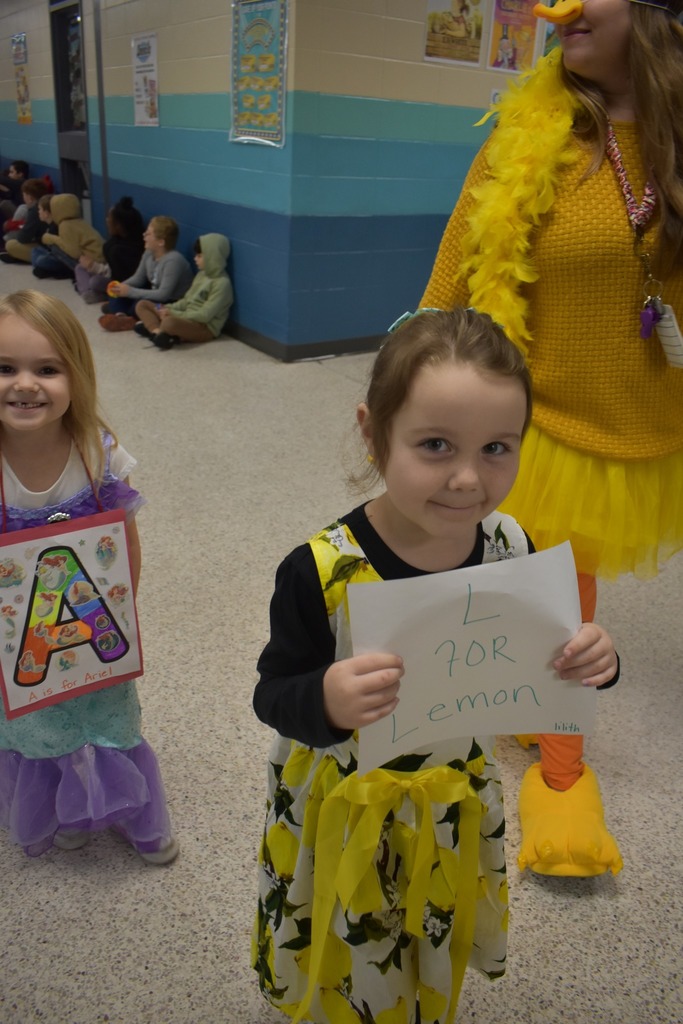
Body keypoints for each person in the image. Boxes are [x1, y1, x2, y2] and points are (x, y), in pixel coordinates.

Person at [252, 308, 619, 1024]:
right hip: (341, 804)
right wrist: (322, 698)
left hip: (453, 799)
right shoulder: (319, 571)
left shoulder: (512, 545)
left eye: (495, 448)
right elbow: (273, 691)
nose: (465, 479)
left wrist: (596, 660)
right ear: (372, 432)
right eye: (434, 445)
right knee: (340, 937)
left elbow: (554, 658)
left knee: (423, 929)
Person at [419, 0, 683, 878]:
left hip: (644, 424)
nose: (555, 7)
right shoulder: (530, 133)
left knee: (547, 593)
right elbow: (457, 267)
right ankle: (563, 778)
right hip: (533, 424)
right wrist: (411, 395)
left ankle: (531, 713)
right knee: (556, 597)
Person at [0, 289, 178, 865]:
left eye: (46, 369)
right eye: (5, 368)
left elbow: (127, 539)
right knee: (40, 728)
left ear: (75, 376)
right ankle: (61, 807)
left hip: (92, 630)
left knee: (109, 719)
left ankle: (125, 810)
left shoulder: (97, 454)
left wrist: (123, 611)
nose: (25, 384)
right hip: (21, 640)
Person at [133, 233, 233, 350]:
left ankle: (157, 329)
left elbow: (205, 315)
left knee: (169, 323)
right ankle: (157, 332)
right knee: (142, 304)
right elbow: (186, 300)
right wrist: (168, 308)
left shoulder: (222, 283)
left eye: (199, 256)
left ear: (213, 257)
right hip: (185, 317)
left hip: (203, 327)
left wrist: (173, 314)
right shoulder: (201, 274)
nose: (195, 259)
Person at [98, 216, 193, 333]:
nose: (144, 236)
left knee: (139, 304)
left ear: (160, 242)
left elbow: (163, 295)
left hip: (168, 303)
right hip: (154, 296)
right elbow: (138, 278)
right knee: (117, 293)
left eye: (148, 234)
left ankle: (122, 313)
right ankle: (121, 315)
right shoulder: (149, 253)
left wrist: (129, 291)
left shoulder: (173, 261)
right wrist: (120, 287)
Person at [74, 196, 145, 304]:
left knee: (95, 281)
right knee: (80, 268)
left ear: (118, 226)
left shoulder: (126, 249)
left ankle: (89, 292)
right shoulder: (115, 241)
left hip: (122, 286)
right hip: (108, 274)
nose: (106, 221)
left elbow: (122, 279)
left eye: (109, 218)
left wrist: (94, 267)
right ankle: (90, 291)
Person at [31, 193, 104, 281]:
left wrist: (51, 238)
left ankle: (68, 272)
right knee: (36, 251)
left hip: (89, 263)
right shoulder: (78, 221)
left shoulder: (65, 225)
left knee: (51, 251)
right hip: (97, 260)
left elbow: (74, 252)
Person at [0, 178, 51, 264]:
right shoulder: (47, 204)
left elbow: (23, 238)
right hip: (48, 243)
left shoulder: (35, 211)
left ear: (29, 197)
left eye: (23, 195)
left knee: (11, 245)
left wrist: (20, 226)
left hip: (45, 247)